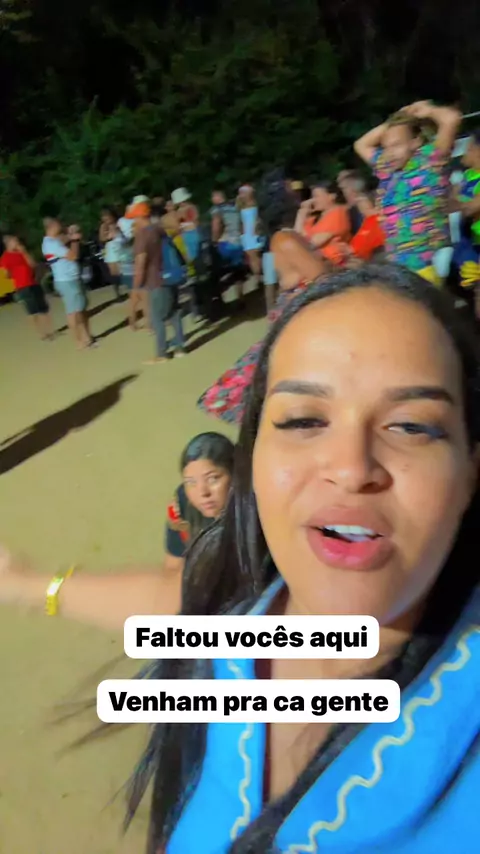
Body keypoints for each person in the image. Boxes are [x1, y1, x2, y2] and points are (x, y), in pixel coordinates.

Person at [1, 264, 479, 853]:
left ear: (471, 469)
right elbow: (177, 604)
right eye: (303, 420)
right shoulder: (250, 628)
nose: (351, 468)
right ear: (254, 455)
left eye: (411, 426)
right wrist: (25, 583)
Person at [354, 101, 462, 284]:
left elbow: (451, 119)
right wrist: (394, 121)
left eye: (396, 145)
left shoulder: (430, 160)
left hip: (427, 264)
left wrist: (427, 110)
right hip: (398, 267)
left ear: (415, 142)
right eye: (386, 147)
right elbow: (361, 144)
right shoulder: (387, 168)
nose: (390, 152)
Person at [162, 433, 235, 576]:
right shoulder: (182, 503)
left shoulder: (259, 504)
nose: (202, 492)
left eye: (213, 479)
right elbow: (173, 569)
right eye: (191, 482)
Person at [128, 198, 186, 362]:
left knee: (157, 318)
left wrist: (136, 287)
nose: (133, 222)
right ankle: (180, 348)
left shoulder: (142, 235)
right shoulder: (159, 229)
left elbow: (140, 264)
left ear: (139, 217)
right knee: (174, 312)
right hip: (172, 275)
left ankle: (161, 353)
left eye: (134, 218)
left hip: (156, 280)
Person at [42, 218, 94, 349]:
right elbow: (73, 256)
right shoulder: (51, 243)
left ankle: (87, 336)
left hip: (72, 278)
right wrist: (75, 240)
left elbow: (64, 239)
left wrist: (71, 235)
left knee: (81, 309)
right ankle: (78, 341)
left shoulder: (53, 241)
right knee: (73, 312)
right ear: (52, 226)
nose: (60, 225)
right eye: (58, 223)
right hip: (66, 280)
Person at [0, 234, 54, 340]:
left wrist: (24, 252)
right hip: (22, 286)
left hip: (34, 282)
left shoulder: (22, 252)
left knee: (43, 307)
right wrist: (12, 273)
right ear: (8, 243)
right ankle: (41, 333)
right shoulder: (5, 258)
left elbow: (33, 264)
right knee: (32, 311)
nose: (18, 243)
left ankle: (50, 330)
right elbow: (6, 274)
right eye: (15, 241)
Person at [295, 180, 351, 266]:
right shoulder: (314, 218)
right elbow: (296, 236)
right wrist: (301, 214)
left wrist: (301, 217)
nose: (313, 200)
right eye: (312, 197)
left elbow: (311, 244)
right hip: (313, 260)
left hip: (330, 263)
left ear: (332, 196)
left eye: (317, 196)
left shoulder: (337, 214)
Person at [343, 190, 386, 262]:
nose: (358, 203)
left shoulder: (377, 220)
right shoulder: (368, 220)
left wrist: (350, 250)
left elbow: (361, 248)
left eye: (361, 200)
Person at [237, 185, 264, 283]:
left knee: (257, 255)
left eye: (243, 193)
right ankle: (258, 277)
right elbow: (240, 222)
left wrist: (258, 229)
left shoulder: (256, 204)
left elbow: (259, 219)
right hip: (247, 234)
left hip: (255, 232)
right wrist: (241, 234)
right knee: (252, 257)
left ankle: (261, 275)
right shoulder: (240, 206)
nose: (241, 195)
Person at [99, 208, 122, 300]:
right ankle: (117, 292)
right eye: (104, 217)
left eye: (107, 217)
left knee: (123, 270)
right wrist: (109, 235)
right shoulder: (103, 226)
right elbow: (102, 238)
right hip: (111, 249)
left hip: (120, 247)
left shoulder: (119, 223)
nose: (106, 219)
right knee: (114, 272)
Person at [337, 169, 367, 235]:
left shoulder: (365, 207)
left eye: (343, 188)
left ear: (353, 189)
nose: (342, 192)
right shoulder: (350, 209)